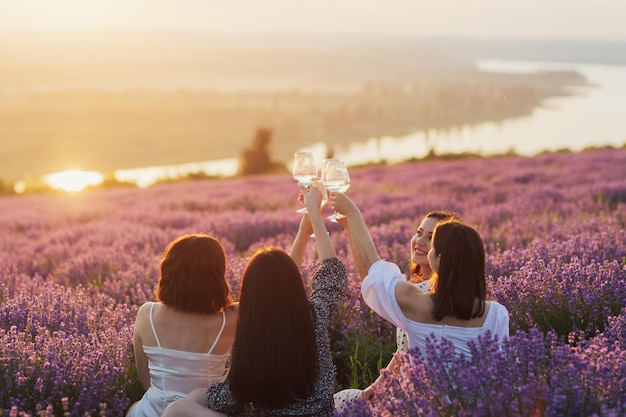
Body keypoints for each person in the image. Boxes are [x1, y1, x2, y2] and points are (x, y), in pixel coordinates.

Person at [161, 183, 348, 417]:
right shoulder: (313, 317)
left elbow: (231, 402)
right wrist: (313, 223)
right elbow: (333, 274)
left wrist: (211, 389)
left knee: (178, 408)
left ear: (250, 292)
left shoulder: (251, 334)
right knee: (197, 397)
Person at [330, 192, 509, 409]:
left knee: (338, 403)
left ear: (440, 258)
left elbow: (372, 267)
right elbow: (501, 377)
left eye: (433, 243)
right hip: (471, 410)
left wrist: (352, 214)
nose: (424, 245)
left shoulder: (415, 305)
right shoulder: (497, 314)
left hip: (417, 409)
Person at [333, 210, 462, 410]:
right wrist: (374, 387)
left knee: (338, 403)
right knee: (346, 399)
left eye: (431, 238)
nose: (419, 241)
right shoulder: (436, 289)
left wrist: (353, 220)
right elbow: (404, 352)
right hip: (404, 390)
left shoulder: (424, 294)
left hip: (413, 401)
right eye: (419, 232)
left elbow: (369, 274)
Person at [126, 234, 238, 417]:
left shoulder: (147, 313)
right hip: (204, 412)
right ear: (216, 275)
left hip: (152, 411)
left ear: (167, 271)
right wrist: (303, 230)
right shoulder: (229, 318)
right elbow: (276, 289)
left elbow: (145, 380)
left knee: (134, 407)